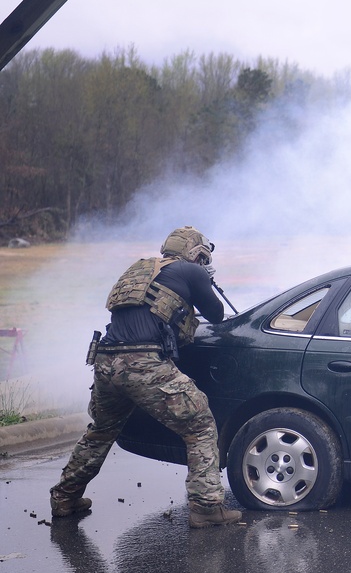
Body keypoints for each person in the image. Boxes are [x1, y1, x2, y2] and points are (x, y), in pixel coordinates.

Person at [50, 226, 242, 528]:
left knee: (100, 433)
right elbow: (217, 315)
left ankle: (64, 497)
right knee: (201, 425)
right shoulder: (192, 272)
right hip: (143, 364)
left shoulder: (140, 269)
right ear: (197, 254)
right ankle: (206, 507)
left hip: (105, 361)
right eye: (203, 257)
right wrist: (207, 278)